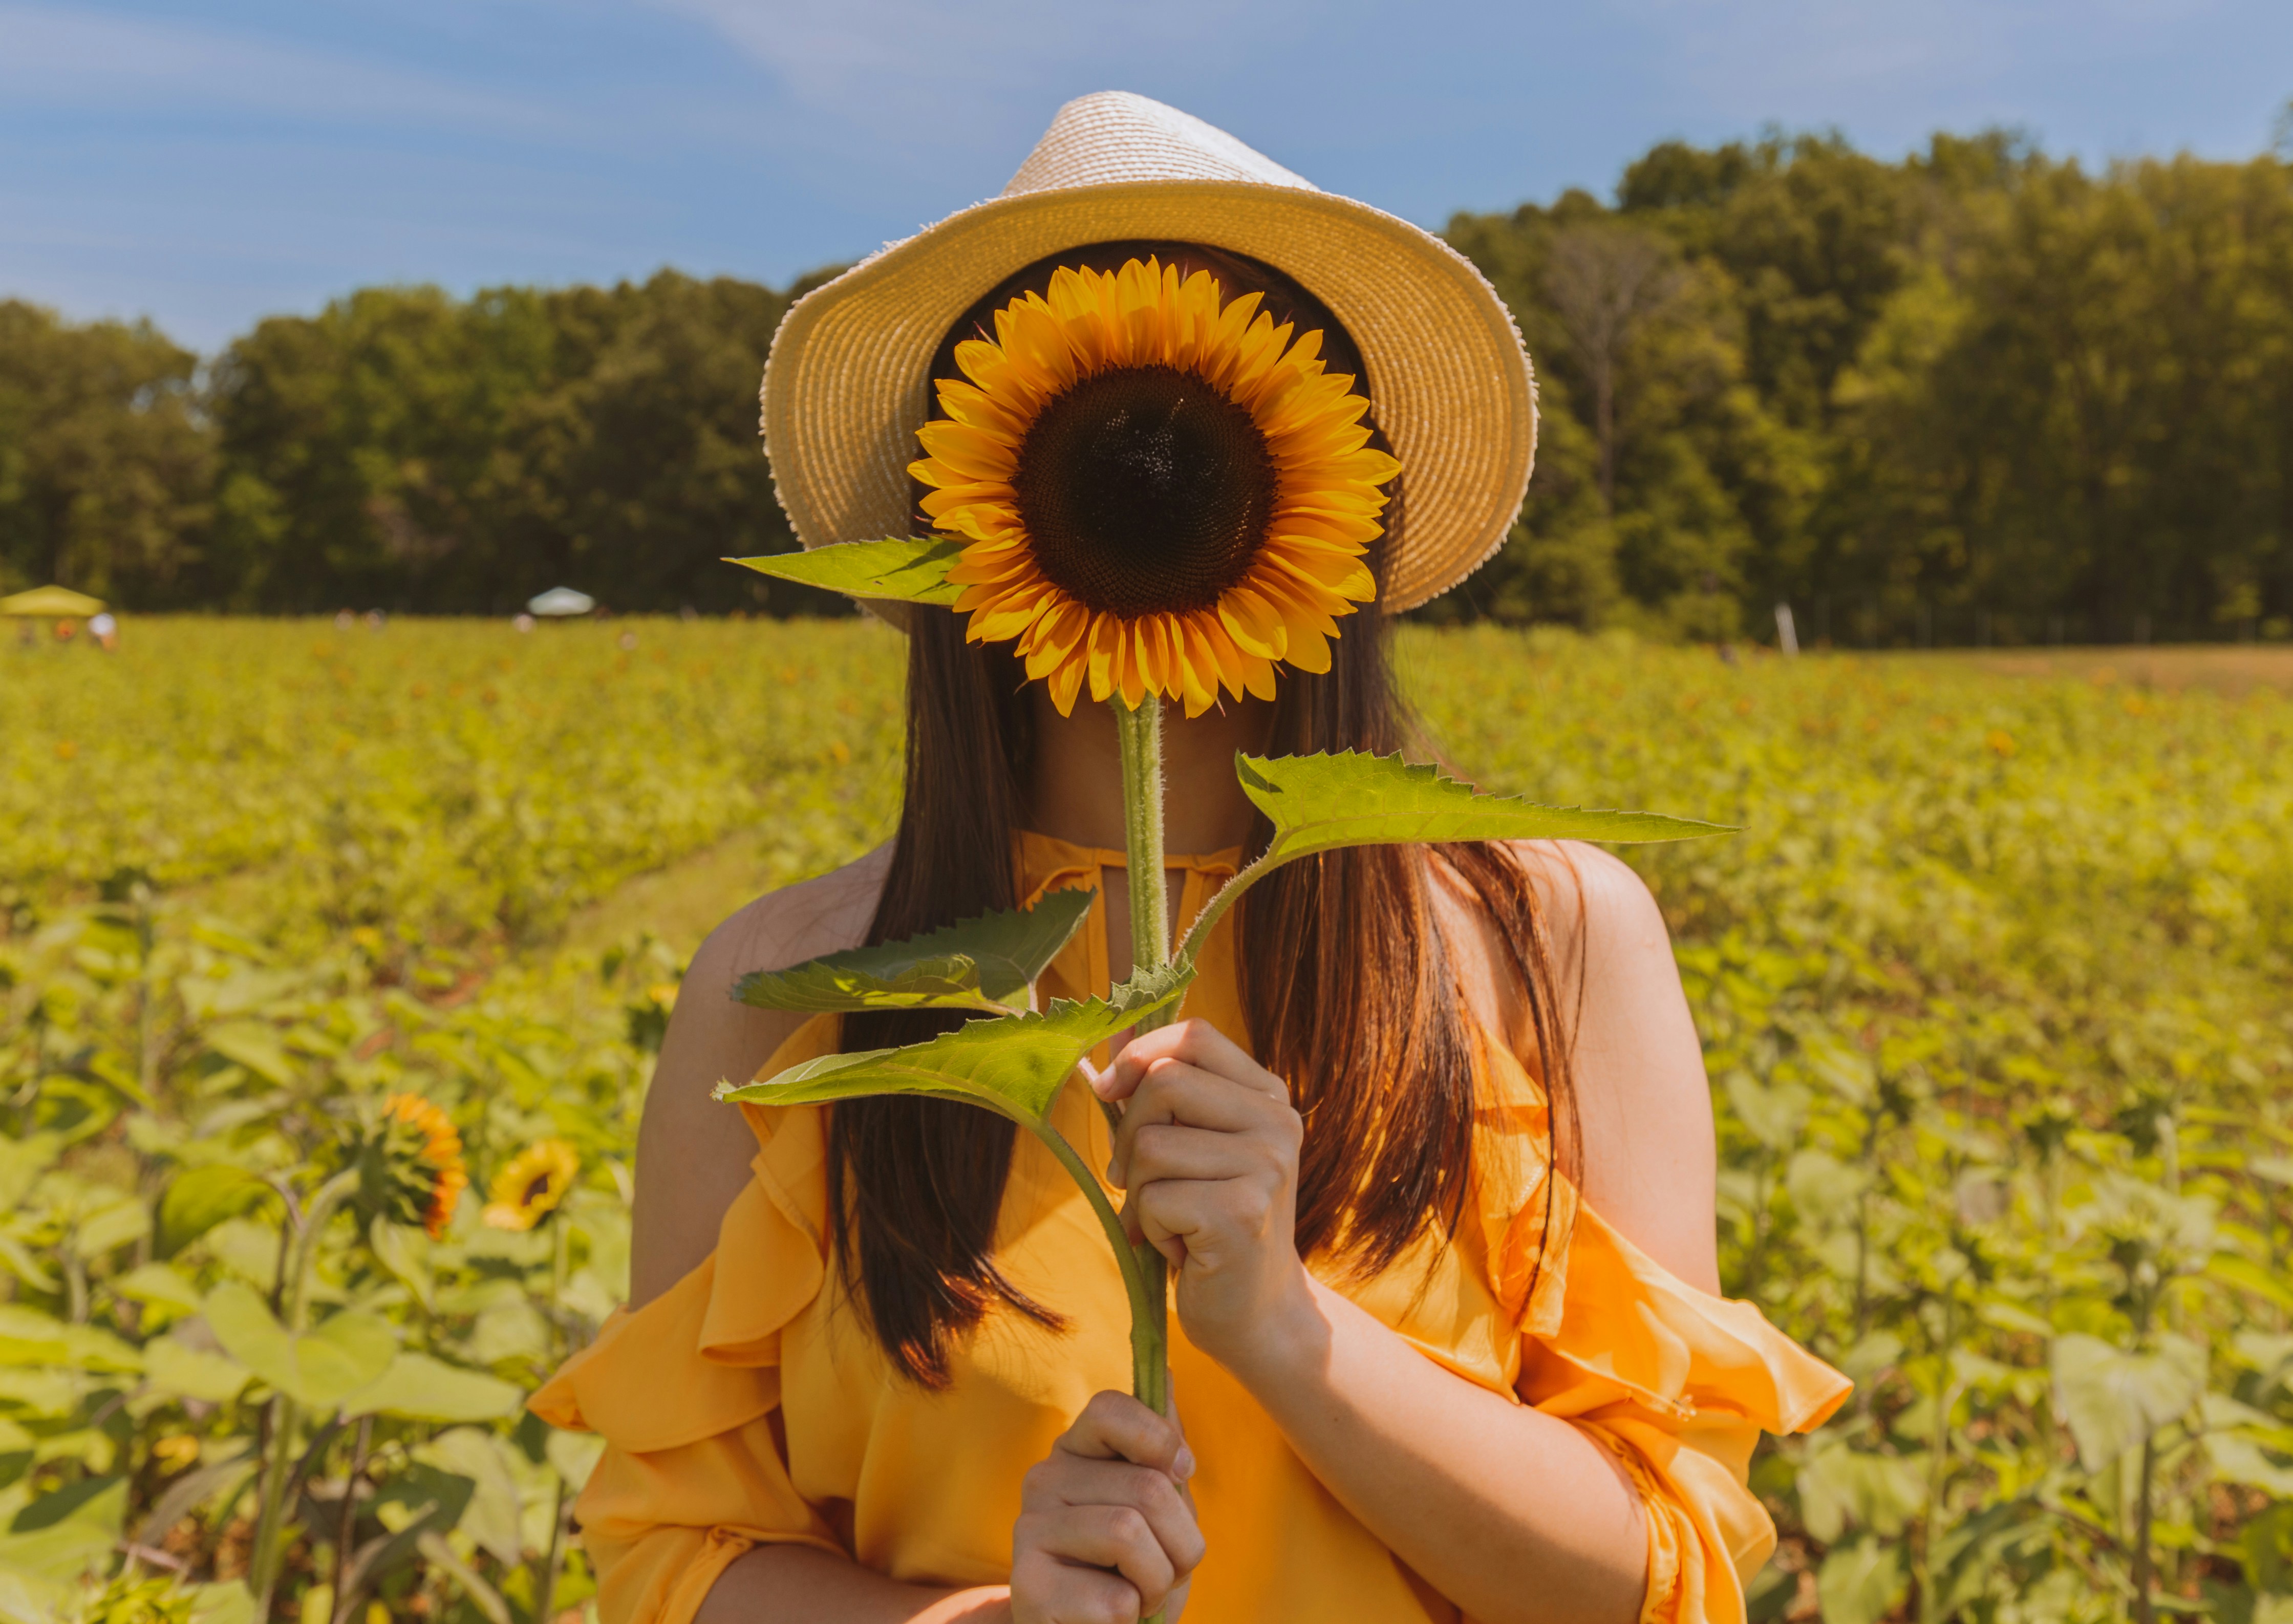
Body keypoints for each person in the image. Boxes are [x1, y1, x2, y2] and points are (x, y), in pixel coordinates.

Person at [533, 92, 1847, 1624]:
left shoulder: (1543, 935)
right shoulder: (791, 997)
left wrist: (1288, 1333)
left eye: (1199, 417)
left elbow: (1658, 1572)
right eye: (1100, 422)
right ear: (971, 504)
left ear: (1328, 487)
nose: (1149, 461)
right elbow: (669, 1560)